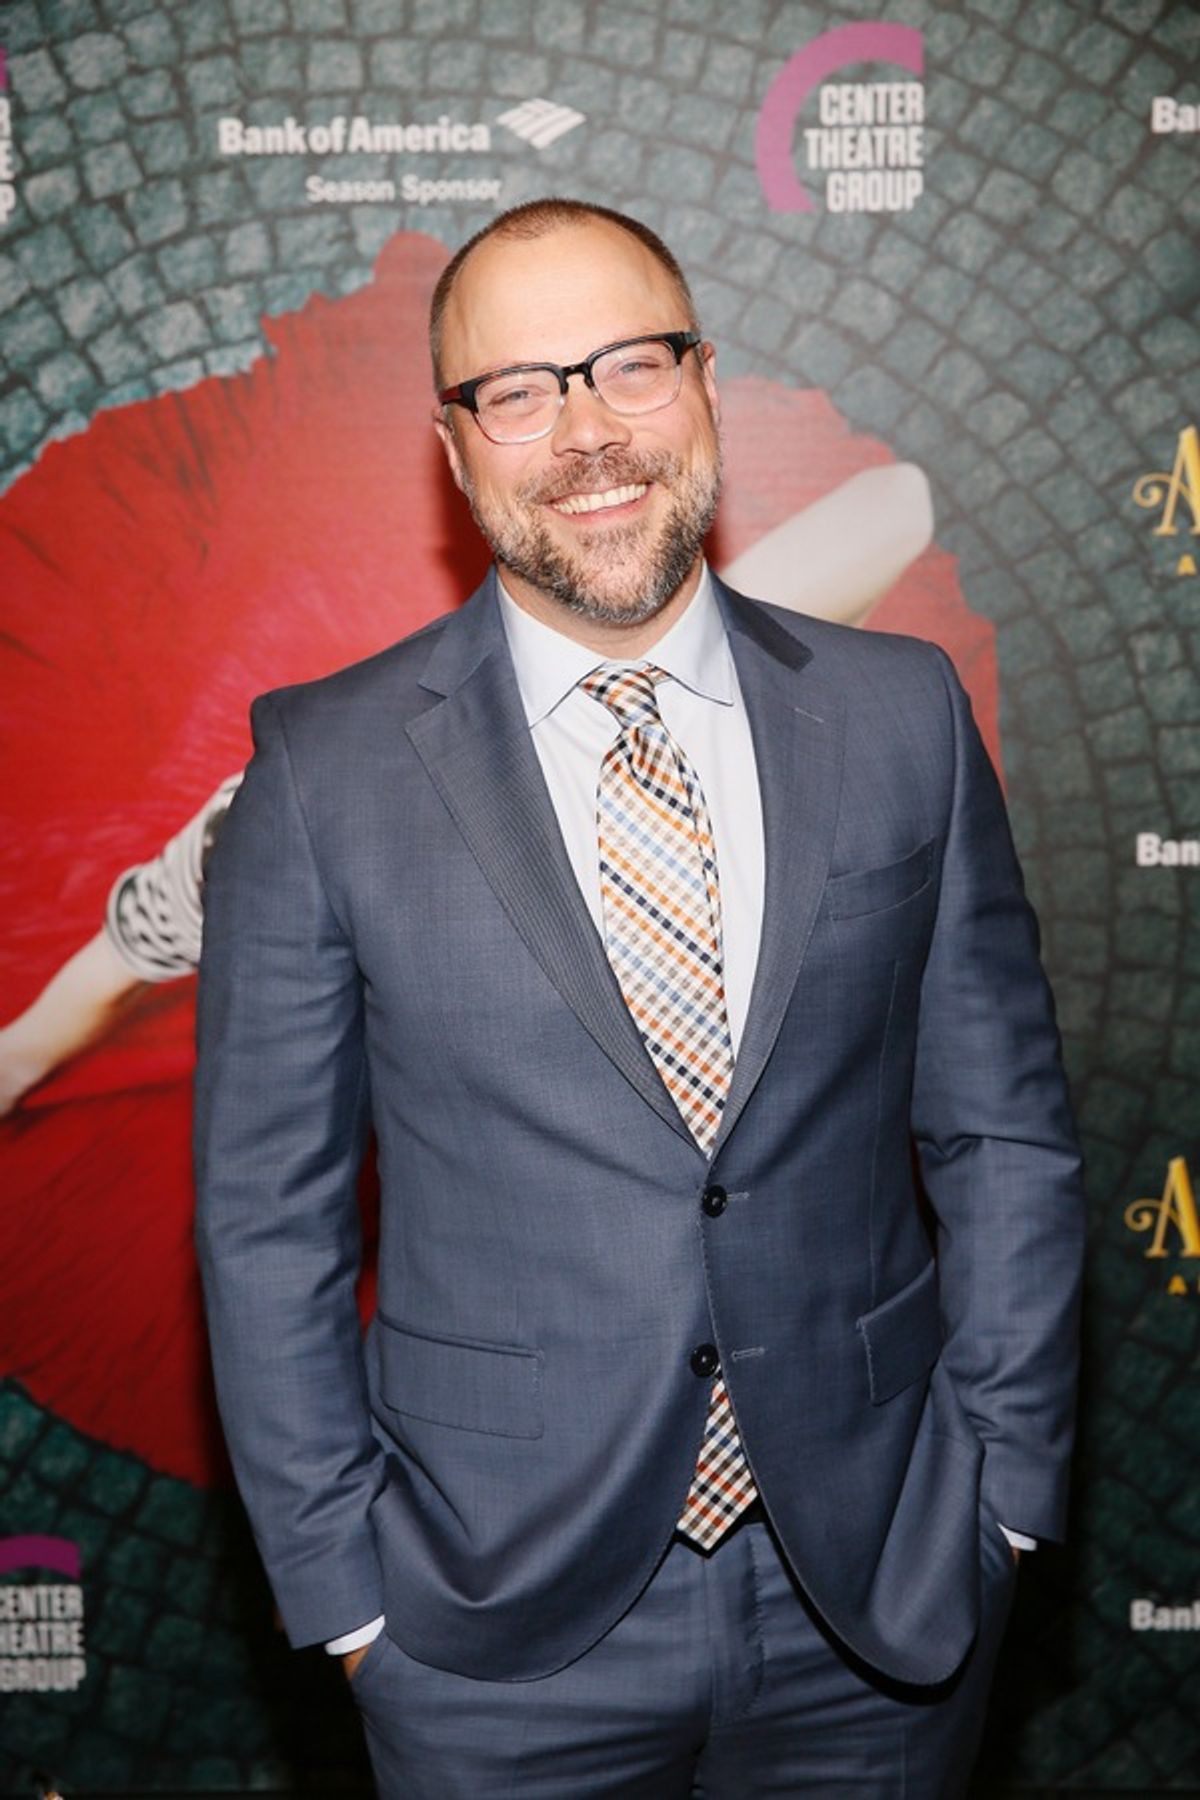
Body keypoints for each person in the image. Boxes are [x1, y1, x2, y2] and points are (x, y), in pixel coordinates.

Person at [193, 197, 1084, 1797]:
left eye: (628, 366)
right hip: (484, 1635)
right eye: (519, 391)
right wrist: (349, 1607)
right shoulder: (321, 774)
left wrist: (1002, 1498)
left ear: (709, 382)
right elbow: (268, 1222)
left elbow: (1005, 1138)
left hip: (879, 1599)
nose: (587, 433)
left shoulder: (901, 720)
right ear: (454, 449)